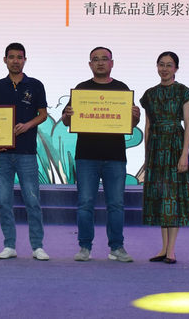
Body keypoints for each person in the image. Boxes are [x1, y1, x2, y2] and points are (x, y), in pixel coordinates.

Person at [61, 46, 140, 262]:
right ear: (90, 64)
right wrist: (67, 115)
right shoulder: (82, 89)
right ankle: (84, 247)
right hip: (86, 156)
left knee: (116, 204)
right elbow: (67, 121)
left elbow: (132, 124)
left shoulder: (122, 89)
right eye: (95, 59)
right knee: (85, 203)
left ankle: (117, 247)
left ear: (112, 63)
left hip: (115, 156)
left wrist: (135, 116)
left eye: (104, 59)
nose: (100, 62)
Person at [0, 43, 50, 261]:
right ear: (5, 60)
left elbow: (43, 114)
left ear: (25, 60)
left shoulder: (35, 85)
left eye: (19, 57)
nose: (15, 61)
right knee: (4, 201)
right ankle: (9, 245)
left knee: (32, 201)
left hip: (26, 152)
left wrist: (27, 125)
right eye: (11, 57)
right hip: (2, 154)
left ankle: (37, 246)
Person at [141, 51, 189, 264]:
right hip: (155, 148)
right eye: (161, 64)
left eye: (169, 65)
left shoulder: (184, 92)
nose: (164, 69)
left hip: (174, 146)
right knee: (161, 197)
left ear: (176, 69)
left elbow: (188, 124)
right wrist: (146, 156)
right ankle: (163, 248)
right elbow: (147, 126)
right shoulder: (149, 94)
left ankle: (171, 250)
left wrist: (184, 155)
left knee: (173, 197)